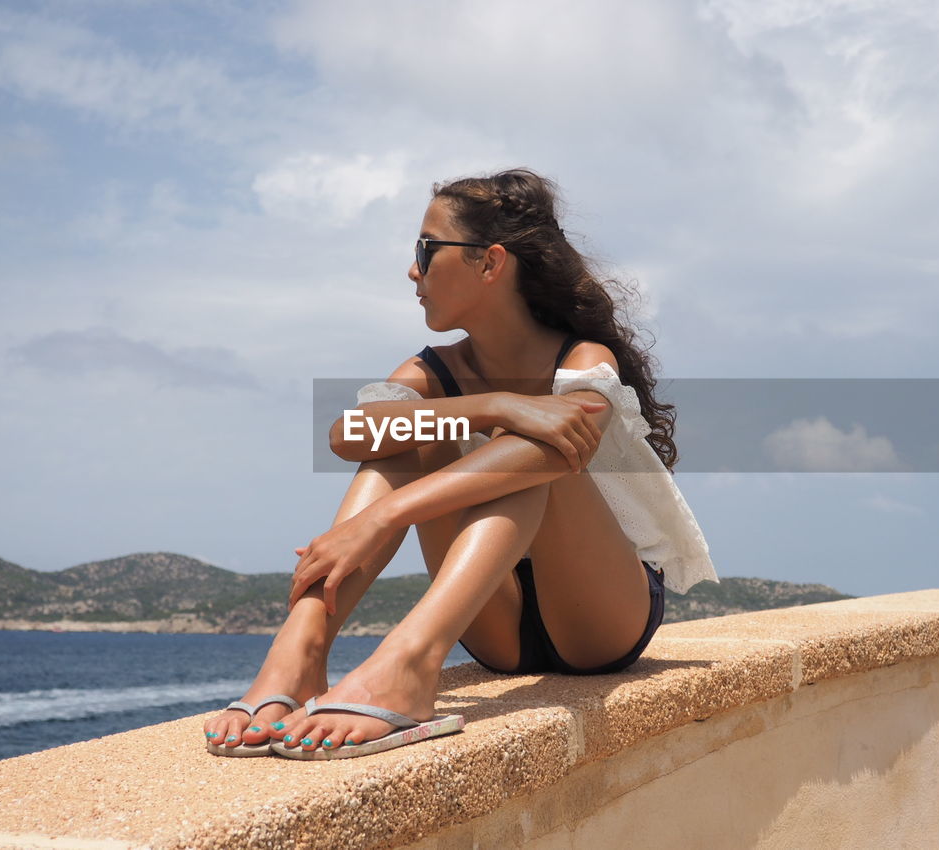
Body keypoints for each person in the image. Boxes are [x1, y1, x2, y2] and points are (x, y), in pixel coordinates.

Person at [203, 168, 716, 760]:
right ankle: (303, 647)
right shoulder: (432, 371)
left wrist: (383, 517)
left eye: (427, 249)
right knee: (406, 432)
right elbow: (351, 435)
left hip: (601, 618)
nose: (413, 272)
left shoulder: (582, 358)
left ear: (489, 262)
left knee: (539, 450)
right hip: (490, 621)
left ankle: (410, 661)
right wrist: (494, 404)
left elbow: (562, 442)